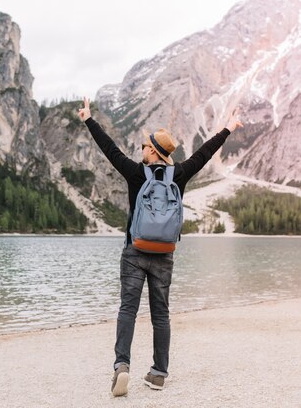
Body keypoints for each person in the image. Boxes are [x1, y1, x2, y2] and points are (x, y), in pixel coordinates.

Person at [77, 97, 243, 397]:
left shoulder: (136, 173)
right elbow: (205, 153)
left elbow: (109, 149)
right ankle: (158, 374)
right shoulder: (179, 174)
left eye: (144, 146)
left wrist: (89, 119)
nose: (140, 149)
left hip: (134, 251)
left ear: (152, 150)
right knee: (161, 314)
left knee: (127, 310)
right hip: (164, 255)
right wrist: (229, 128)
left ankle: (121, 366)